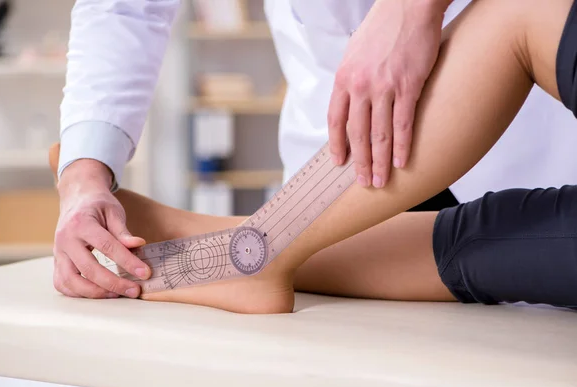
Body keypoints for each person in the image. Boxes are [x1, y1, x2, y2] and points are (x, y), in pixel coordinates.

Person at [51, 0, 577, 313]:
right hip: (346, 145)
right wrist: (84, 175)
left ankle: (246, 246)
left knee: (526, 12)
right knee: (519, 238)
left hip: (518, 120)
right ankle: (248, 247)